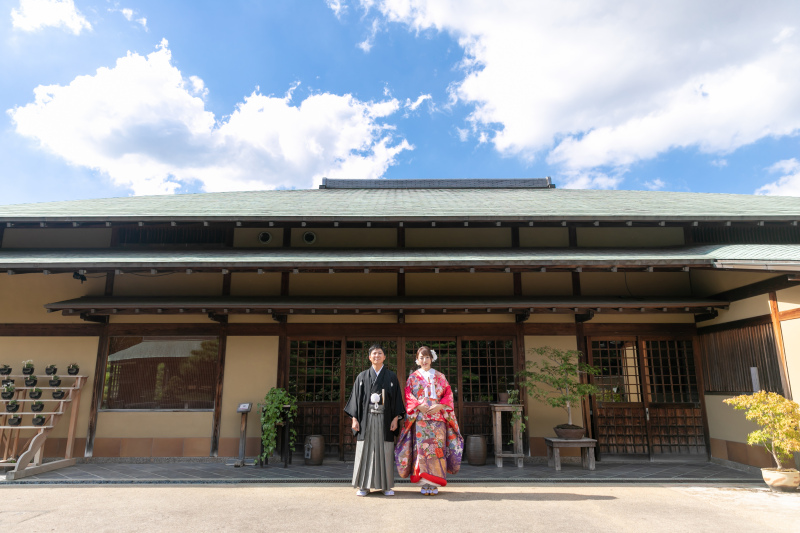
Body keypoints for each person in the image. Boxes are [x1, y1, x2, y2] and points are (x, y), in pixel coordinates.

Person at [395, 345, 464, 496]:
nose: (424, 360)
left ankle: (435, 483)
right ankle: (424, 483)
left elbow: (448, 394)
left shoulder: (440, 376)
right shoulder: (413, 377)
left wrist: (440, 405)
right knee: (421, 451)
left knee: (437, 452)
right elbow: (408, 395)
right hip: (420, 420)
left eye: (427, 357)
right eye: (421, 358)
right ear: (417, 360)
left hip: (438, 420)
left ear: (432, 359)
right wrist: (418, 406)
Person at [344, 343, 405, 497]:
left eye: (379, 353)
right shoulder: (362, 376)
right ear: (369, 357)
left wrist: (396, 418)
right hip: (366, 419)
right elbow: (356, 400)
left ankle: (386, 486)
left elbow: (397, 399)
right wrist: (354, 419)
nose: (376, 356)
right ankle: (364, 486)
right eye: (374, 354)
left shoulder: (391, 377)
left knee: (385, 450)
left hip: (385, 420)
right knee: (365, 450)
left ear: (384, 357)